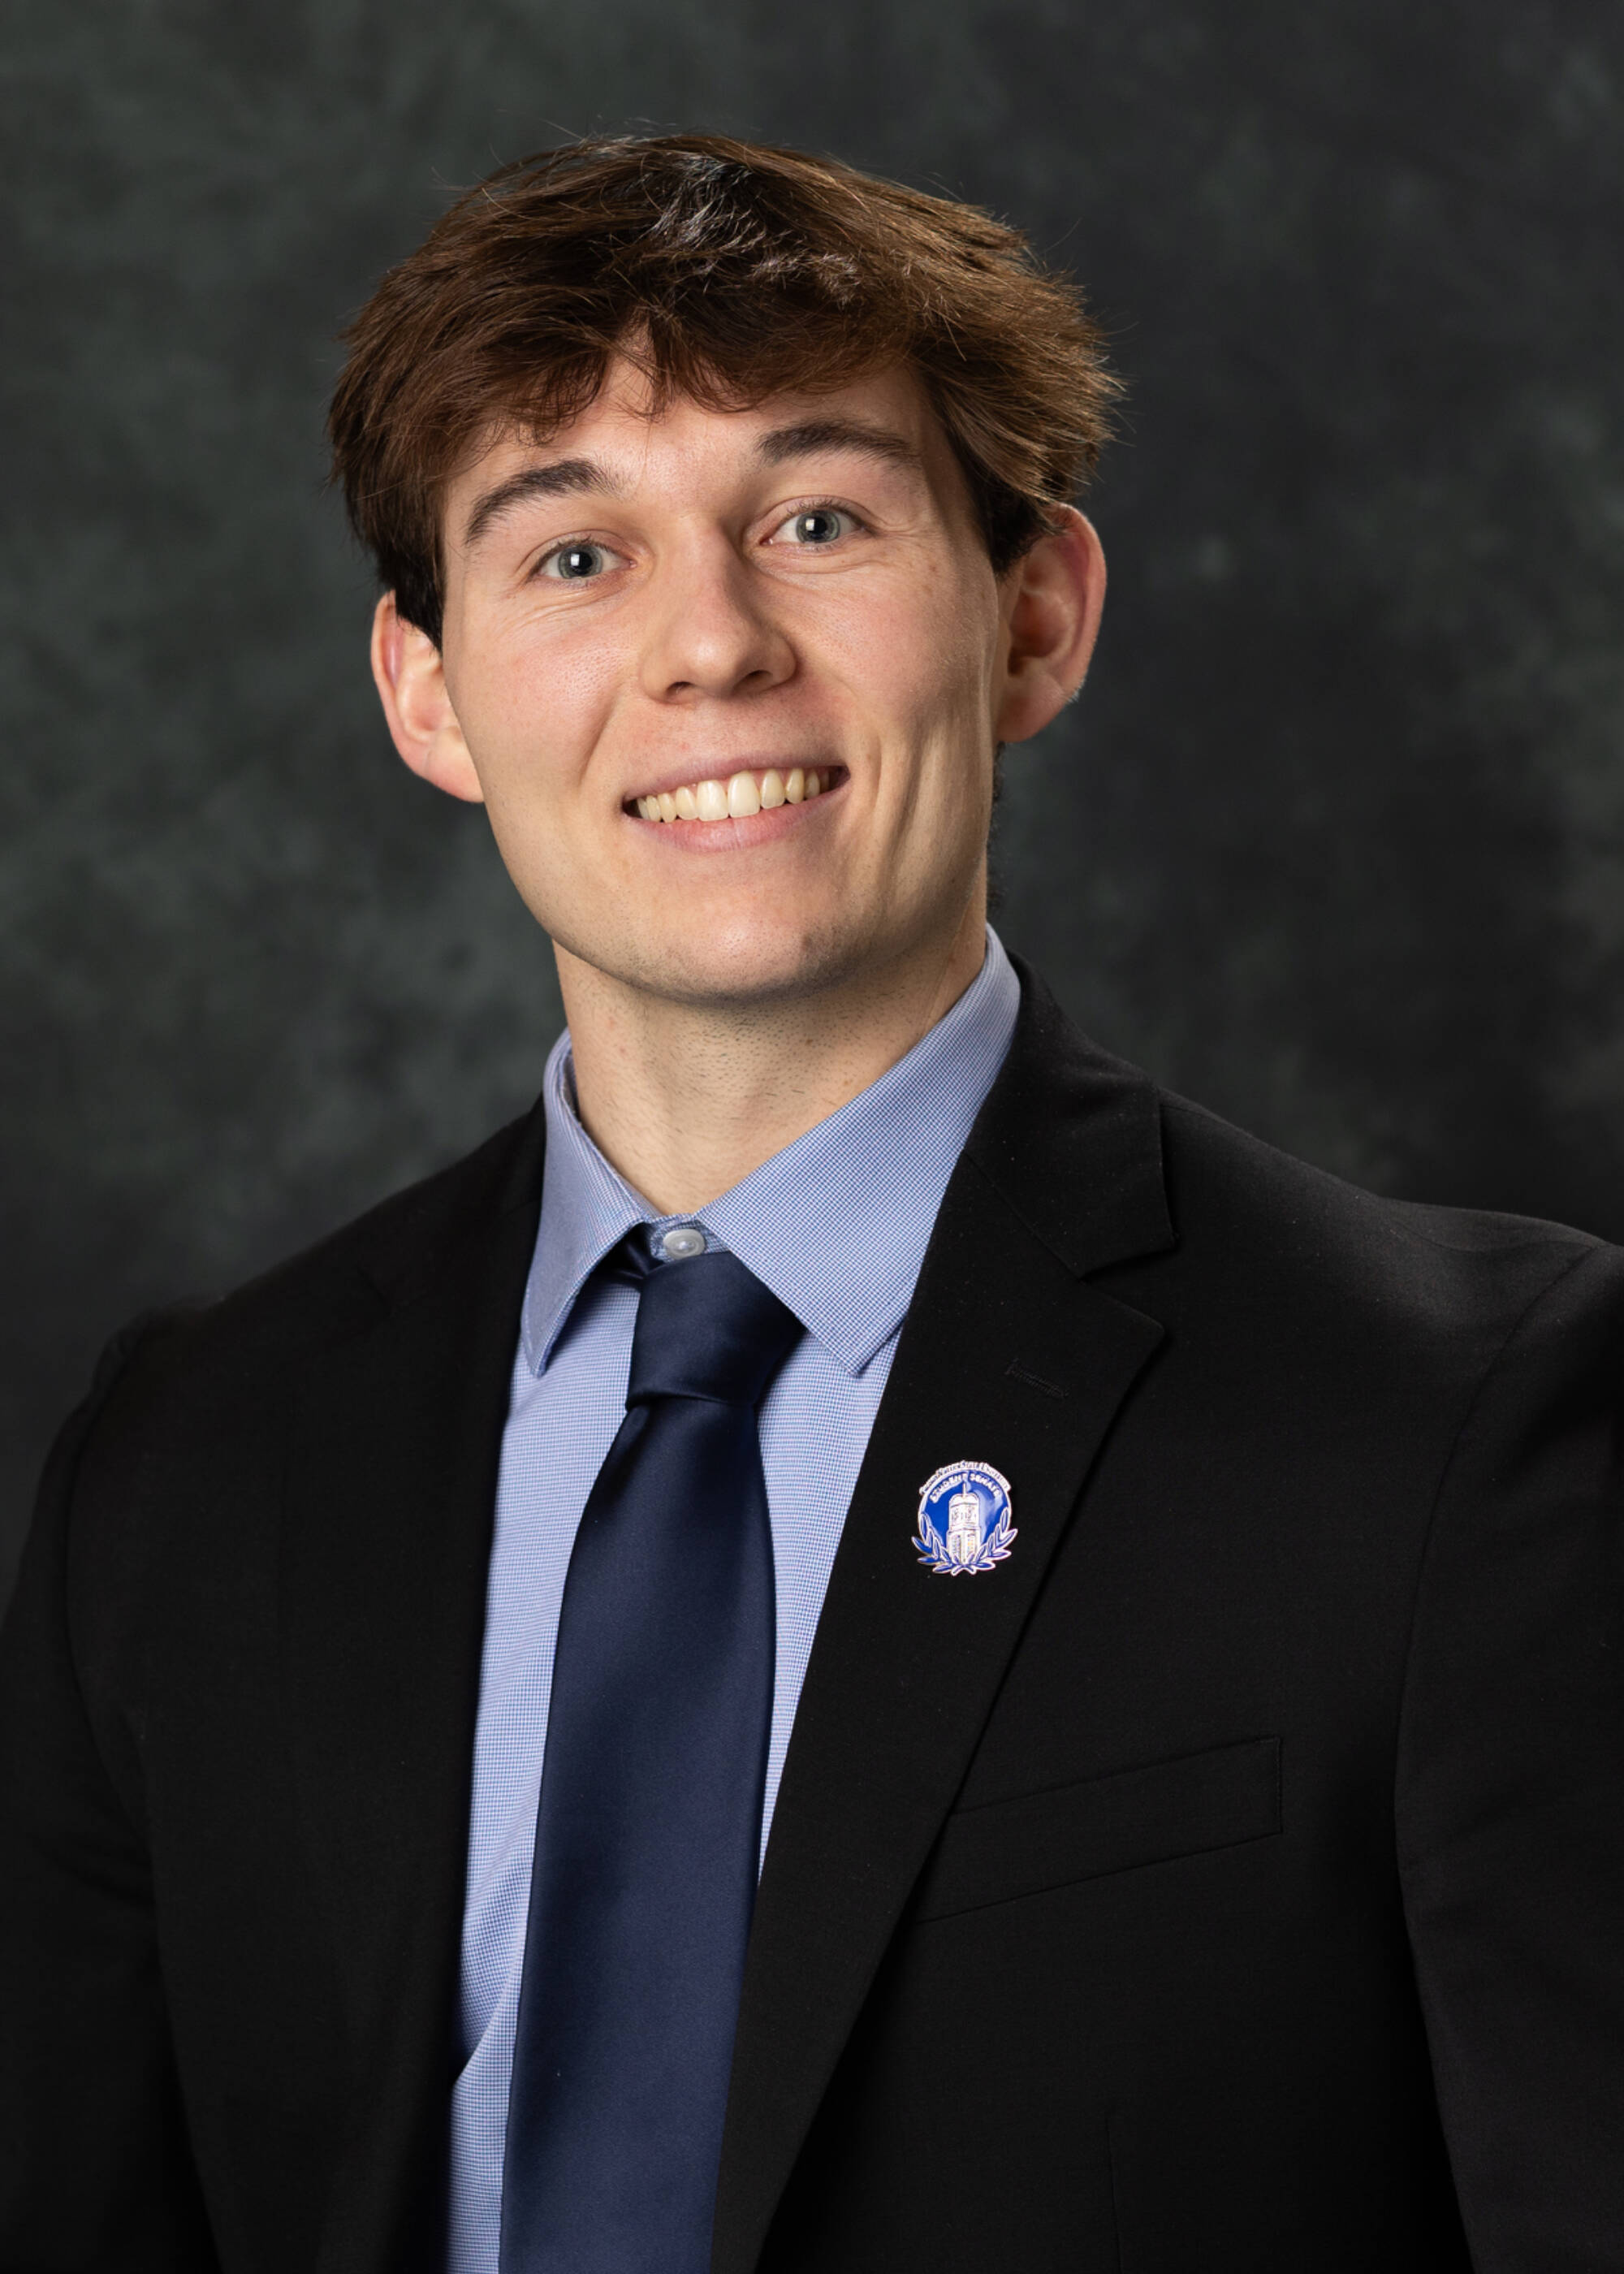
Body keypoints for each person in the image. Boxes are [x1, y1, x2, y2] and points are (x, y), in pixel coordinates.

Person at [1, 130, 1620, 2274]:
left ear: (1036, 616)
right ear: (429, 693)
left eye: (820, 519)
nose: (712, 649)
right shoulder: (188, 1475)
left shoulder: (1464, 1430)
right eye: (574, 558)